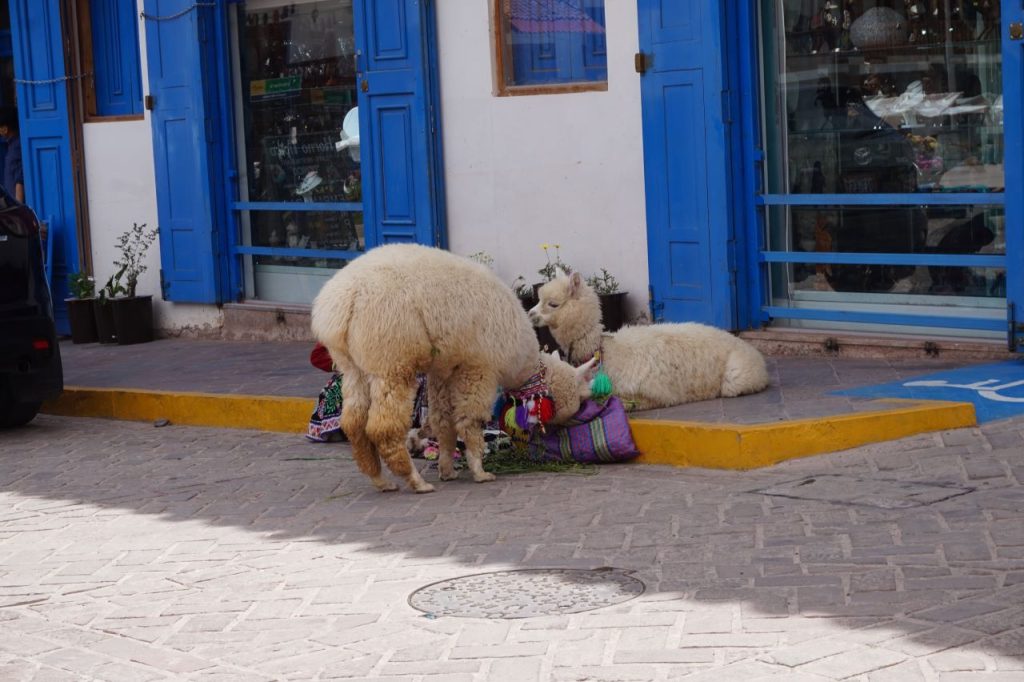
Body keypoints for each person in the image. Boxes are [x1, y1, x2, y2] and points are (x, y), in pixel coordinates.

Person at [0, 108, 23, 204]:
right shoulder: (10, 145)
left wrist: (18, 210)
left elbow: (19, 181)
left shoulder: (16, 147)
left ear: (5, 129)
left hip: (16, 206)